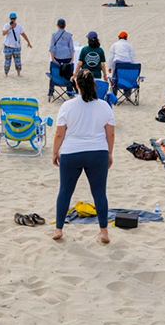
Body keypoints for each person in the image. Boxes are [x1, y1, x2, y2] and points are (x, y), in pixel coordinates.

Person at [51, 70, 116, 244]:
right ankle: (104, 232)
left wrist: (55, 152)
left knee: (65, 191)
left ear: (77, 85)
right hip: (97, 152)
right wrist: (109, 153)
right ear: (94, 85)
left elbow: (59, 134)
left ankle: (58, 229)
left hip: (72, 152)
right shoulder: (104, 106)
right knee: (99, 193)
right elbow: (110, 134)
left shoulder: (67, 106)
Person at [48, 18, 75, 96]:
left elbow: (52, 47)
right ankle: (69, 91)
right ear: (65, 25)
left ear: (57, 25)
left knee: (53, 72)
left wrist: (53, 58)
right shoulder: (69, 35)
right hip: (67, 56)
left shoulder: (54, 35)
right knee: (68, 72)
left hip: (57, 56)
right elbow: (71, 48)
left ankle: (51, 91)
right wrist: (72, 58)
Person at [1, 12, 32, 76]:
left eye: (14, 19)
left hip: (16, 46)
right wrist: (9, 28)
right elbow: (3, 33)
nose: (13, 20)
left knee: (17, 61)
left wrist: (28, 42)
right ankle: (6, 73)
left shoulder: (19, 26)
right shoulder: (6, 25)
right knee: (7, 61)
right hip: (8, 46)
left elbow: (23, 34)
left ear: (16, 19)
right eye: (12, 18)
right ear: (9, 19)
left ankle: (18, 73)